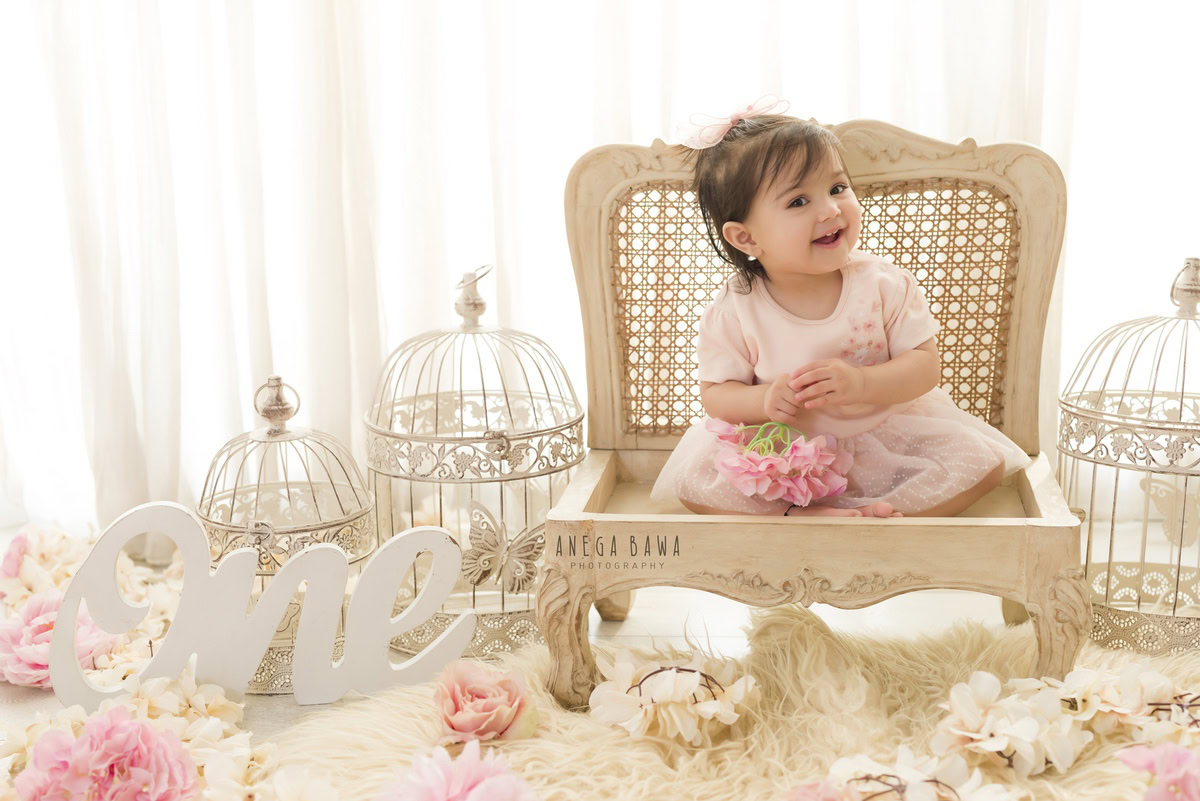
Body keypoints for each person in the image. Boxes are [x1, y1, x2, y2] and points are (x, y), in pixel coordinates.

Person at [650, 99, 1030, 518]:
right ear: (746, 238)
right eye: (798, 202)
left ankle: (880, 513)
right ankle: (797, 515)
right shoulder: (736, 308)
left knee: (980, 462)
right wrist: (763, 400)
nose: (831, 210)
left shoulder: (883, 283)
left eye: (837, 188)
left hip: (885, 437)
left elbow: (925, 367)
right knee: (695, 482)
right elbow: (716, 394)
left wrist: (862, 384)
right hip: (787, 451)